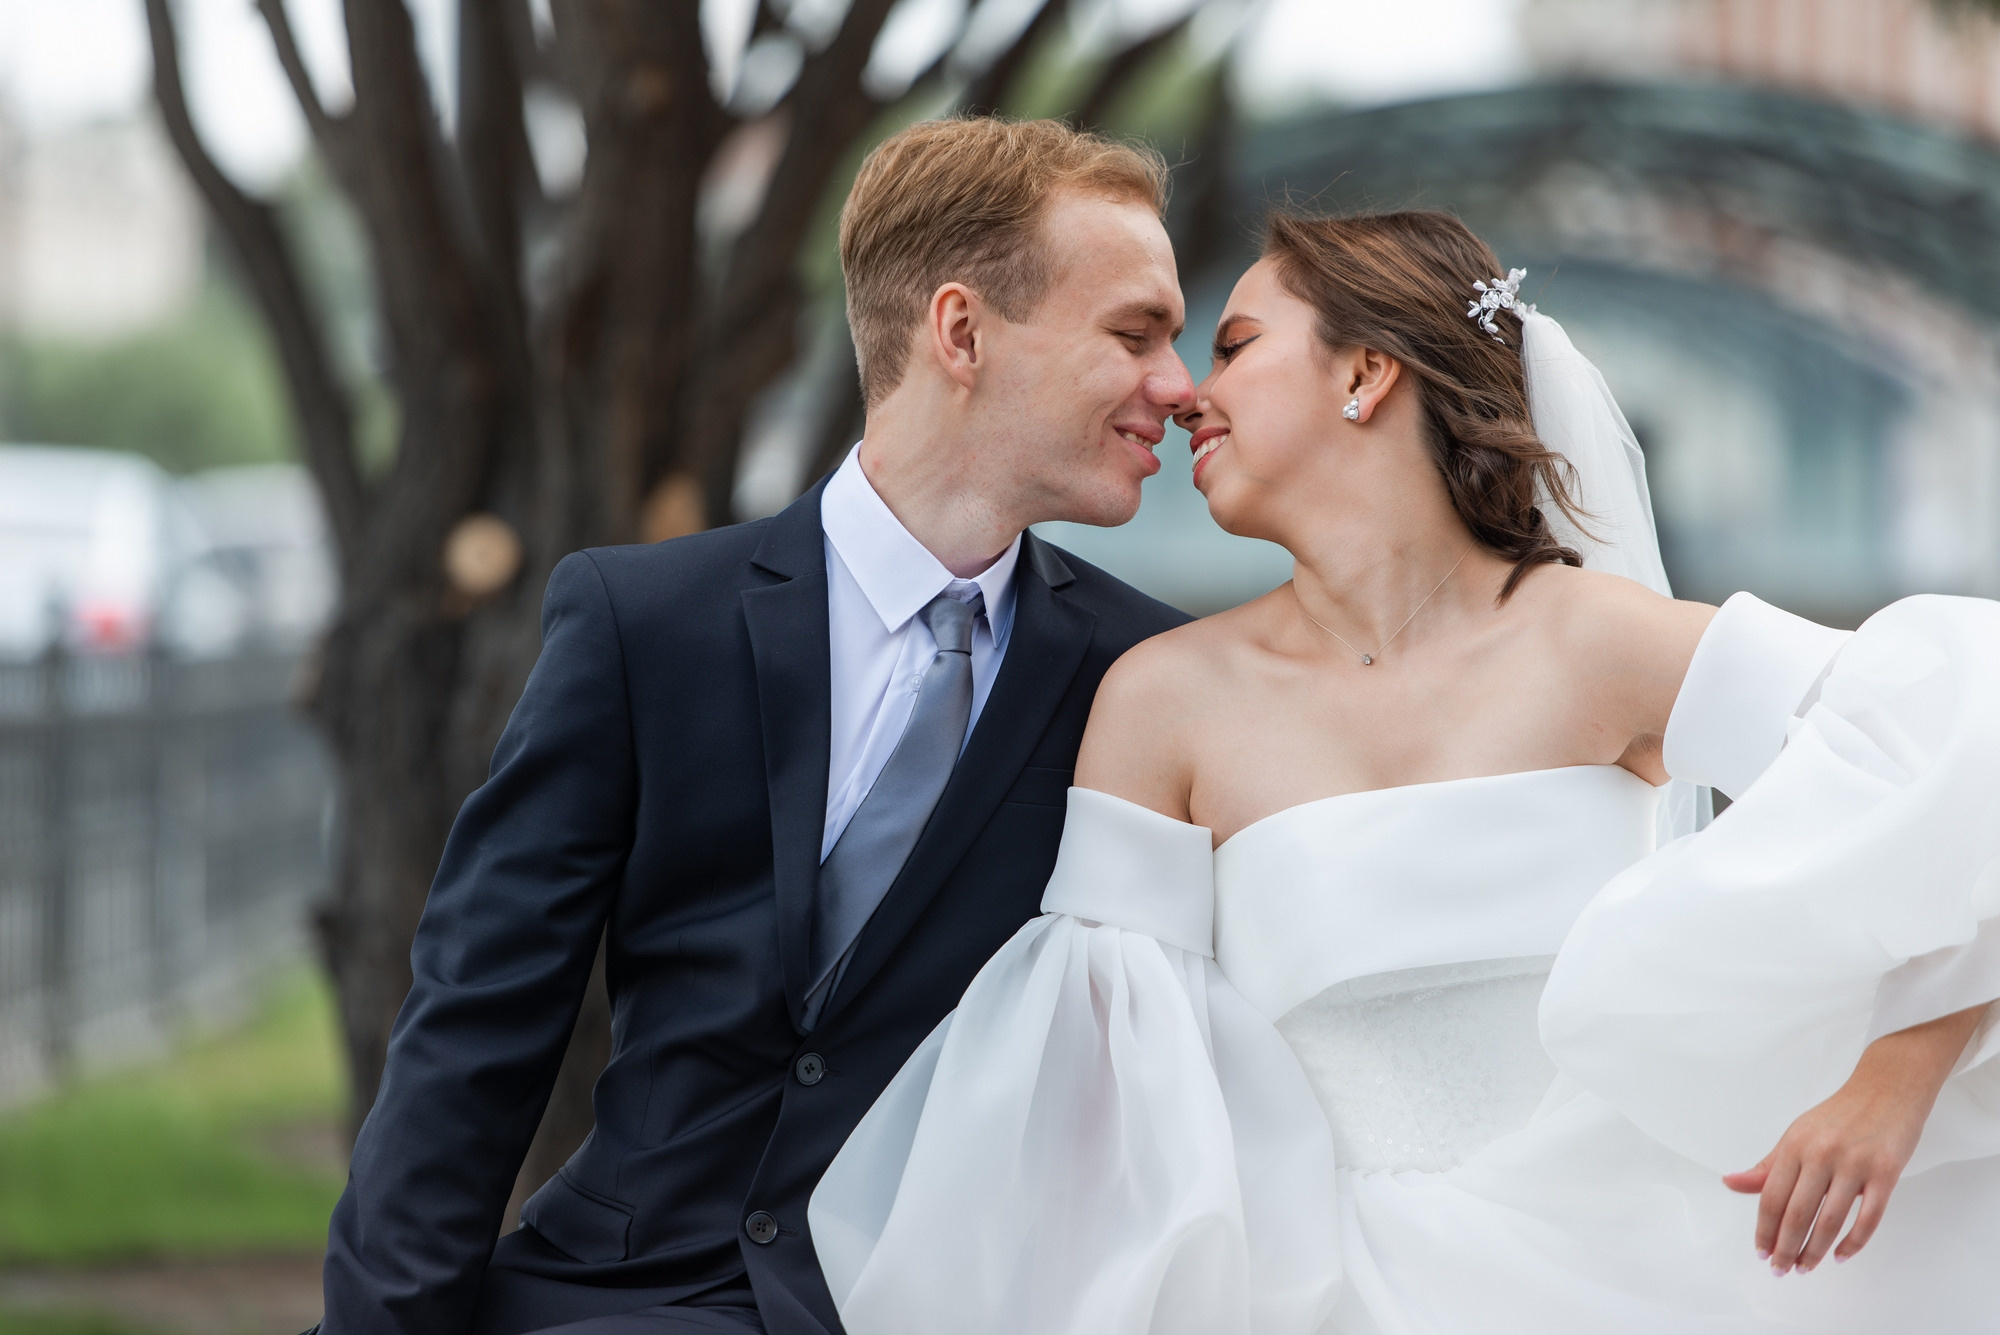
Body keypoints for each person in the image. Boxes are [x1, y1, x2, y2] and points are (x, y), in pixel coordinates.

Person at [807, 209, 2000, 1333]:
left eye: (1232, 346)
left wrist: (1891, 1080)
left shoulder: (1594, 640)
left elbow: (1965, 768)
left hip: (1644, 1270)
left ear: (1363, 375)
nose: (1183, 395)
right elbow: (1099, 1090)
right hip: (1311, 1292)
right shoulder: (1162, 702)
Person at [311, 116, 1196, 1335]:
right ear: (960, 332)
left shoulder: (1143, 673)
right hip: (621, 1295)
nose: (1177, 383)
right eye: (1133, 333)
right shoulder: (641, 624)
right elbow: (476, 1027)